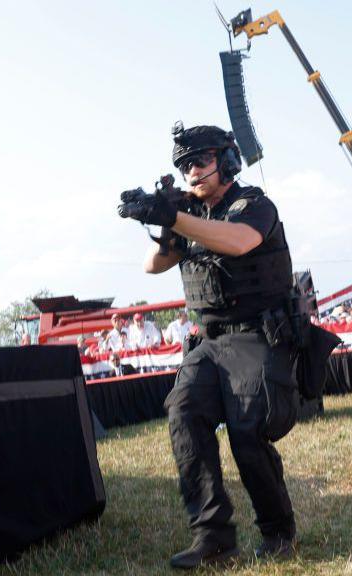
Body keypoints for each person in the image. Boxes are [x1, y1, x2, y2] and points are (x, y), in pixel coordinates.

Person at [118, 123, 300, 568]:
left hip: (259, 335)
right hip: (212, 341)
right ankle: (213, 536)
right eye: (184, 166)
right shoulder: (191, 214)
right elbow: (153, 266)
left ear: (228, 160)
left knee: (246, 431)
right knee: (183, 411)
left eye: (200, 161)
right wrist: (162, 222)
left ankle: (279, 530)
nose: (192, 172)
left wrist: (175, 218)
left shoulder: (253, 204)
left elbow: (239, 241)